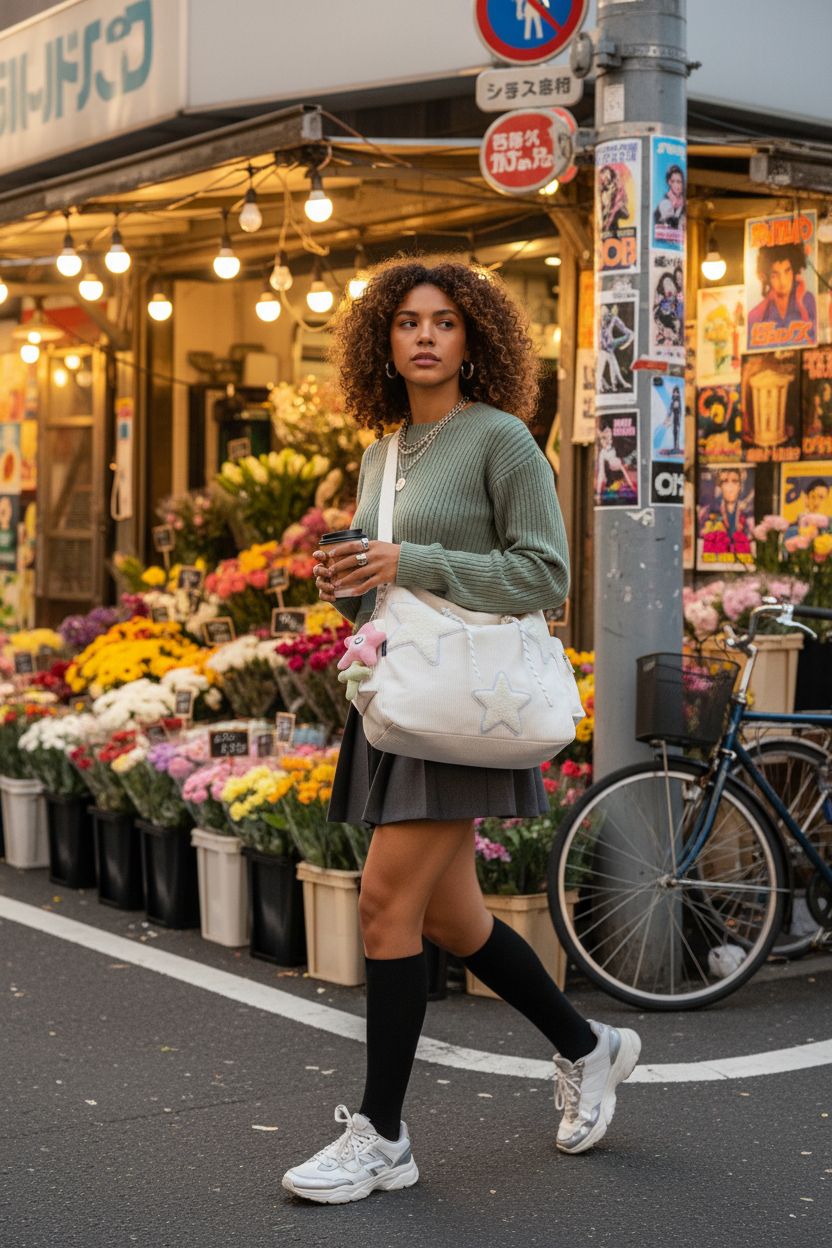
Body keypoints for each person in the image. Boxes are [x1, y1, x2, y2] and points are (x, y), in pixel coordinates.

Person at [281, 259, 641, 1204]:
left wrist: (414, 557)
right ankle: (589, 1046)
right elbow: (384, 571)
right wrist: (350, 576)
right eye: (407, 322)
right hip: (406, 696)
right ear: (383, 344)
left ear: (474, 337)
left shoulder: (504, 441)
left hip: (463, 702)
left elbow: (545, 575)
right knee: (451, 916)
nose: (426, 336)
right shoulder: (383, 453)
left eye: (445, 321)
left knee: (383, 905)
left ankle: (384, 1137)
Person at [747, 242, 816, 342]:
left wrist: (800, 305)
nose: (782, 281)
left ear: (794, 272)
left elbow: (813, 338)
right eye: (775, 275)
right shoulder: (759, 312)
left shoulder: (807, 300)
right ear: (767, 277)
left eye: (787, 271)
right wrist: (766, 301)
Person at [596, 303, 633, 393]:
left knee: (614, 367)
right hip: (604, 349)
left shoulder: (612, 319)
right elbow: (601, 337)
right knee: (602, 368)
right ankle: (603, 386)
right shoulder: (600, 321)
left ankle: (614, 385)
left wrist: (628, 335)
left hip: (609, 347)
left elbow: (623, 328)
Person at [653, 163, 686, 235]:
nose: (677, 185)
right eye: (673, 181)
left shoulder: (683, 203)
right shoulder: (664, 202)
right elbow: (671, 224)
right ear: (669, 182)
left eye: (679, 182)